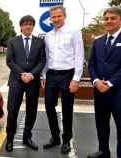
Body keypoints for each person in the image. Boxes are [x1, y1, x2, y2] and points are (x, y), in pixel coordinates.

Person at [41, 5, 84, 154]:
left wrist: (76, 79)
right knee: (48, 105)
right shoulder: (48, 36)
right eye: (53, 17)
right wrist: (44, 75)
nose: (56, 19)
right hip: (52, 75)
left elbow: (79, 56)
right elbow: (47, 58)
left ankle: (66, 140)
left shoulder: (74, 32)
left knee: (67, 109)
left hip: (68, 75)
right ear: (50, 19)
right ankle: (55, 137)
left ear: (64, 16)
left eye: (59, 16)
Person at [87, 7, 121, 158]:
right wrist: (96, 81)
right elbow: (91, 64)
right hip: (100, 92)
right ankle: (103, 152)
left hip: (120, 93)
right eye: (107, 18)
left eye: (113, 18)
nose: (109, 21)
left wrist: (109, 83)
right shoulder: (98, 41)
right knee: (102, 125)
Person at [5, 15, 46, 152]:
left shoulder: (40, 42)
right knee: (12, 111)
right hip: (17, 80)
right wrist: (22, 74)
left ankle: (27, 137)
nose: (28, 26)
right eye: (25, 24)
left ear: (33, 26)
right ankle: (10, 139)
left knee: (31, 112)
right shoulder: (12, 41)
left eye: (30, 24)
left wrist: (32, 74)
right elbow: (10, 61)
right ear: (21, 26)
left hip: (32, 82)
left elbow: (42, 61)